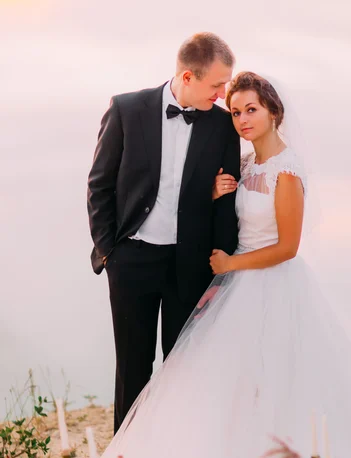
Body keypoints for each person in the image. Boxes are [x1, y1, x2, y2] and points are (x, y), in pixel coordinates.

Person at [81, 72, 351, 458]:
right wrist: (214, 195)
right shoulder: (247, 164)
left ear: (274, 111)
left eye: (252, 109)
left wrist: (230, 265)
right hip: (233, 287)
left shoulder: (287, 170)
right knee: (214, 385)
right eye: (235, 111)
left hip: (272, 285)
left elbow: (288, 246)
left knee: (273, 385)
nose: (243, 119)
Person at [87, 33, 240, 434]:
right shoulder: (126, 109)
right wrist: (109, 253)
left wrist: (221, 268)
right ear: (188, 76)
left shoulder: (224, 126)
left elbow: (225, 204)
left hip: (189, 264)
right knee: (133, 369)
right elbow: (99, 186)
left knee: (183, 369)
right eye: (216, 85)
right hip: (131, 261)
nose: (223, 94)